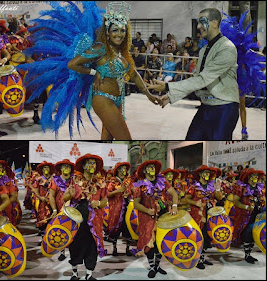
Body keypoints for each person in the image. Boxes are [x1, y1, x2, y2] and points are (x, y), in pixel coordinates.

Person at [67, 2, 161, 140]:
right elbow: (73, 64)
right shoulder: (101, 48)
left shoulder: (122, 53)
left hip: (118, 100)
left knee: (107, 140)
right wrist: (94, 72)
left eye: (122, 30)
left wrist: (148, 94)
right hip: (103, 98)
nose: (119, 34)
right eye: (115, 30)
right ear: (108, 32)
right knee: (125, 139)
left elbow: (134, 75)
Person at [147, 8, 239, 140]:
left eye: (202, 22)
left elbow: (203, 79)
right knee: (190, 142)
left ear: (215, 22)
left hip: (224, 108)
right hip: (206, 106)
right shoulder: (204, 50)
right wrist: (171, 96)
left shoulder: (227, 48)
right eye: (198, 23)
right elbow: (196, 80)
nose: (199, 26)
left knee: (214, 150)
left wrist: (168, 87)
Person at [63, 154, 108, 280]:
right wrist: (69, 195)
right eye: (89, 163)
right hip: (78, 218)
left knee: (92, 244)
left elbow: (105, 200)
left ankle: (89, 274)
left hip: (95, 219)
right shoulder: (75, 180)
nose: (92, 166)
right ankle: (74, 273)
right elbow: (64, 198)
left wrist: (98, 203)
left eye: (94, 163)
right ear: (83, 166)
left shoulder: (100, 182)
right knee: (76, 243)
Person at [133, 160, 178, 278]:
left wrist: (174, 206)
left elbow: (174, 194)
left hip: (163, 216)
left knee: (161, 243)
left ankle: (157, 265)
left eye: (153, 167)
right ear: (144, 171)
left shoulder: (163, 182)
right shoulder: (140, 186)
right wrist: (147, 210)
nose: (152, 169)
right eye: (149, 167)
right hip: (147, 218)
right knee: (149, 244)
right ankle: (152, 267)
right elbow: (136, 204)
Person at [184, 165, 223, 269]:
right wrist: (196, 203)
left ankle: (202, 257)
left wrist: (218, 188)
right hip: (197, 216)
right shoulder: (194, 187)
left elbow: (219, 197)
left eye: (208, 173)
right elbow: (186, 199)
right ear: (200, 174)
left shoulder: (212, 186)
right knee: (198, 236)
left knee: (206, 237)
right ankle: (197, 259)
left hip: (209, 215)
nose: (207, 175)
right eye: (205, 173)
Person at [232, 169, 265, 263]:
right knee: (246, 235)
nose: (256, 178)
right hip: (245, 216)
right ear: (248, 177)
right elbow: (236, 201)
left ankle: (249, 253)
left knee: (254, 235)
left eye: (256, 176)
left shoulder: (259, 188)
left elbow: (262, 199)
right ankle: (247, 255)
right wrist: (246, 207)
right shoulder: (241, 188)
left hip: (257, 215)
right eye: (253, 176)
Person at [48, 159, 75, 261]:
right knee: (61, 230)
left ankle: (73, 251)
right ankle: (62, 251)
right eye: (64, 166)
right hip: (60, 210)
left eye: (68, 167)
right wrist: (54, 210)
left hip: (73, 209)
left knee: (73, 230)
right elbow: (51, 196)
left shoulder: (75, 180)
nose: (66, 168)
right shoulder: (55, 181)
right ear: (60, 169)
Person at [105, 162, 133, 256]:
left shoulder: (128, 181)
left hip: (127, 206)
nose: (124, 171)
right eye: (122, 169)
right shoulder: (112, 182)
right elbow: (107, 194)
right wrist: (117, 191)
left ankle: (128, 248)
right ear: (117, 170)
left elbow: (133, 192)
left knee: (128, 226)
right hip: (116, 207)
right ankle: (114, 248)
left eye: (125, 169)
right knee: (116, 228)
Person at [31, 161, 55, 236]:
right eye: (44, 168)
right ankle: (43, 238)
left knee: (52, 220)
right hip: (43, 202)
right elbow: (35, 190)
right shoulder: (39, 179)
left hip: (52, 202)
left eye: (47, 167)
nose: (46, 169)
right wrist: (40, 198)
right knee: (43, 219)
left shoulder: (54, 179)